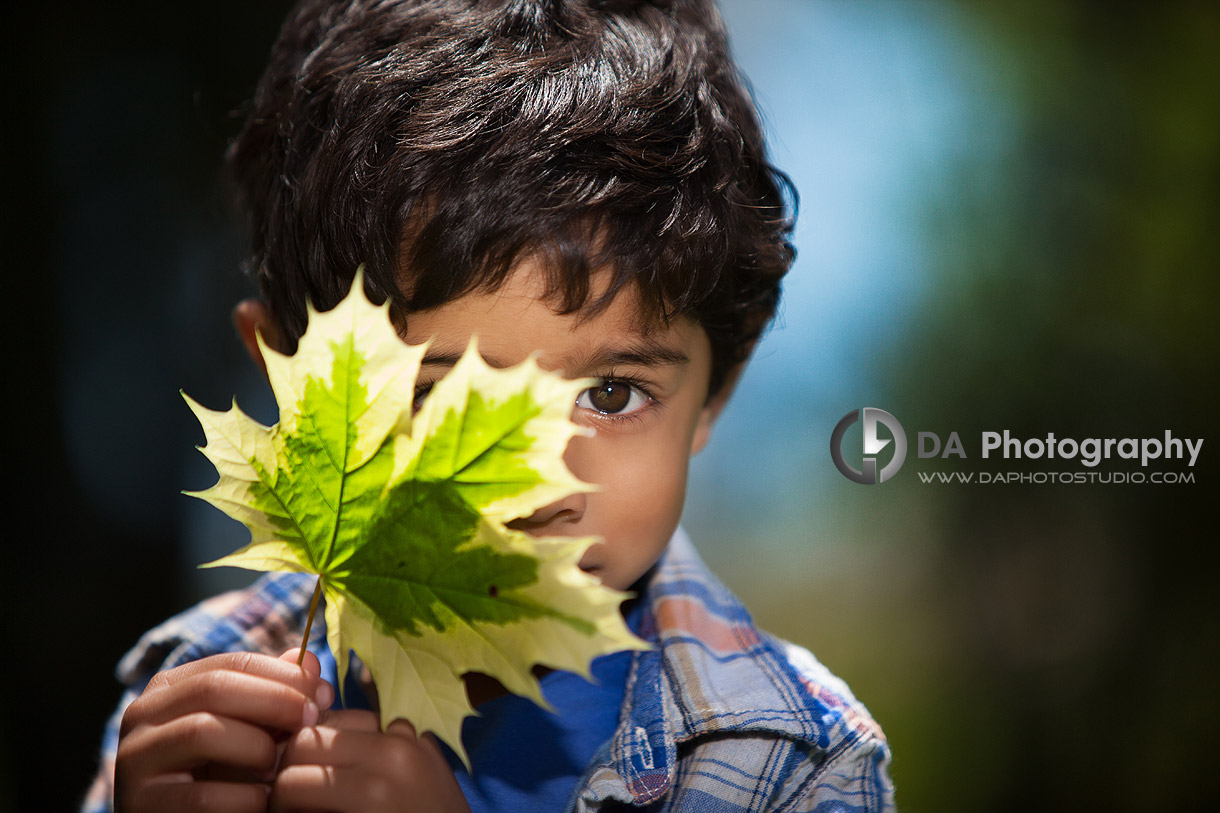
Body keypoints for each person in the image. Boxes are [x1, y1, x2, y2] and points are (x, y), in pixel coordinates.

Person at [85, 1, 895, 810]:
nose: (537, 481)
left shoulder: (789, 759)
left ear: (716, 392)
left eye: (610, 394)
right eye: (446, 395)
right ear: (290, 382)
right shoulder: (195, 709)